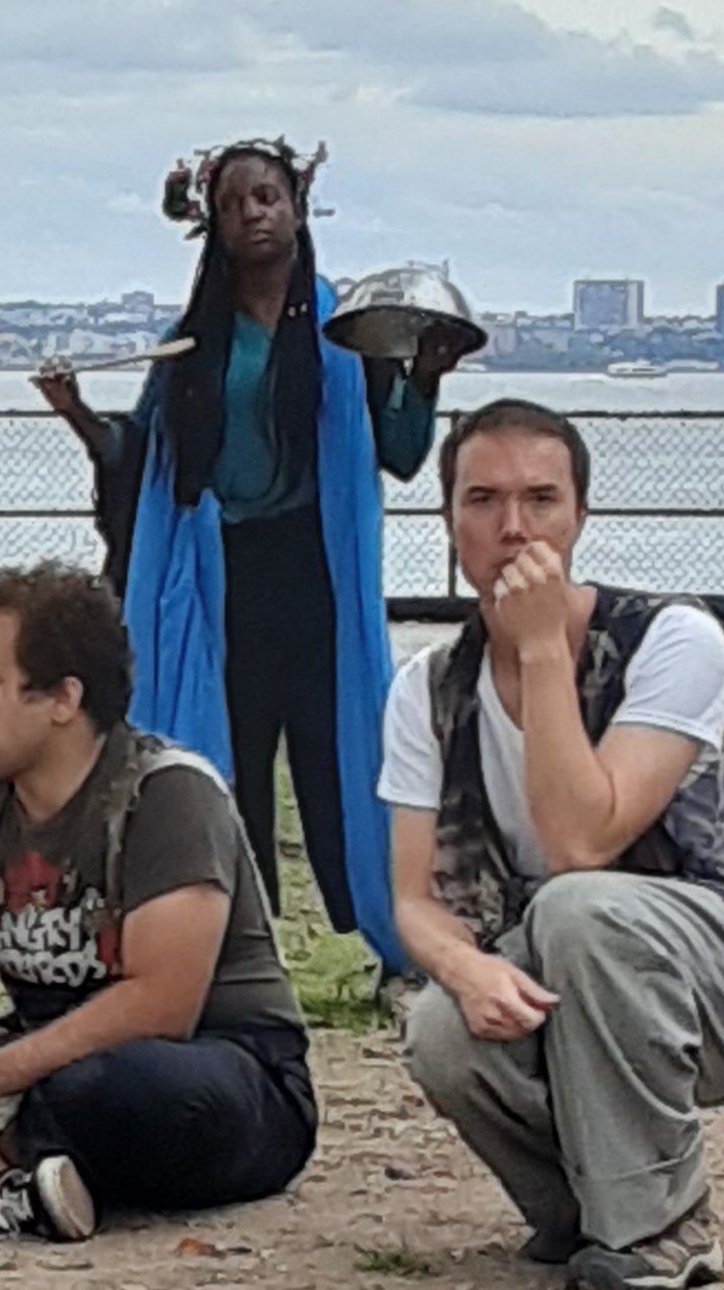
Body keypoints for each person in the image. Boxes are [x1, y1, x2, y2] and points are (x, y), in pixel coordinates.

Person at [381, 398, 724, 1290]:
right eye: (484, 500)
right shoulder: (427, 687)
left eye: (541, 499)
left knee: (576, 905)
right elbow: (413, 899)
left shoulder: (674, 641)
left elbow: (584, 838)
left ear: (579, 515)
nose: (514, 527)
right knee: (438, 1030)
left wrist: (545, 649)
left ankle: (658, 1224)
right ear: (450, 521)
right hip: (567, 961)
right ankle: (587, 1205)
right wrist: (466, 974)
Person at [34, 140, 469, 967]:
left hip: (318, 570)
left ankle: (389, 938)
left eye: (266, 196)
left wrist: (425, 378)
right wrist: (75, 411)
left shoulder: (349, 329)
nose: (253, 214)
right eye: (234, 204)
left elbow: (403, 453)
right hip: (223, 570)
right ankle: (240, 943)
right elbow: (139, 455)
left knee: (342, 750)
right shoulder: (192, 341)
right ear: (215, 225)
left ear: (298, 206)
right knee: (226, 756)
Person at [0, 563, 316, 1243]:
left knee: (104, 1088)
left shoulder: (166, 797)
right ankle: (8, 1191)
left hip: (215, 1065)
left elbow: (163, 1004)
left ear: (63, 700)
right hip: (36, 1064)